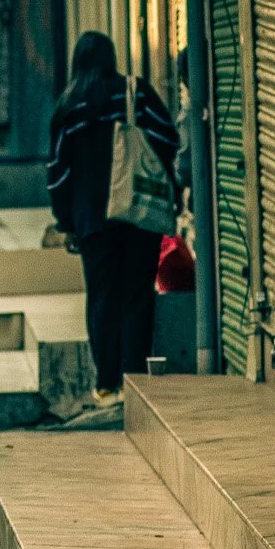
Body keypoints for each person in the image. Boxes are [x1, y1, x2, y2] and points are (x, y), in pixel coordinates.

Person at [46, 31, 179, 407]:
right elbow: (168, 138)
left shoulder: (69, 106)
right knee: (137, 294)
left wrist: (65, 220)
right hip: (137, 212)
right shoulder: (135, 94)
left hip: (92, 221)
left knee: (102, 297)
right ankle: (135, 379)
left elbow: (58, 170)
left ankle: (106, 386)